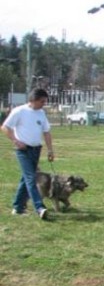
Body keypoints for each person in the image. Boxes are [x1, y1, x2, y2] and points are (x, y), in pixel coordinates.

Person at [1, 88, 55, 219]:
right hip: (23, 151)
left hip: (36, 150)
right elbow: (5, 127)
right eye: (42, 101)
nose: (44, 104)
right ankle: (40, 207)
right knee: (31, 178)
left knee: (26, 178)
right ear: (33, 100)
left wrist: (50, 150)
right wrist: (16, 141)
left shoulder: (41, 113)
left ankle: (18, 208)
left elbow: (46, 132)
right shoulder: (20, 111)